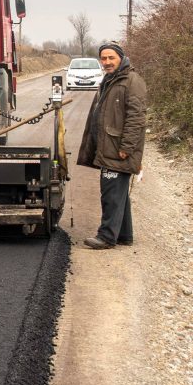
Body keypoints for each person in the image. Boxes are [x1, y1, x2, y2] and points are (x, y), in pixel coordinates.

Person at [76, 41, 148, 250]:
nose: (107, 62)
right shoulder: (110, 79)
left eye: (111, 58)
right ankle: (124, 235)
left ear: (121, 58)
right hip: (109, 147)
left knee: (111, 193)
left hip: (118, 149)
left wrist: (126, 146)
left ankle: (106, 237)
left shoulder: (132, 81)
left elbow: (136, 118)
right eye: (104, 58)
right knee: (119, 194)